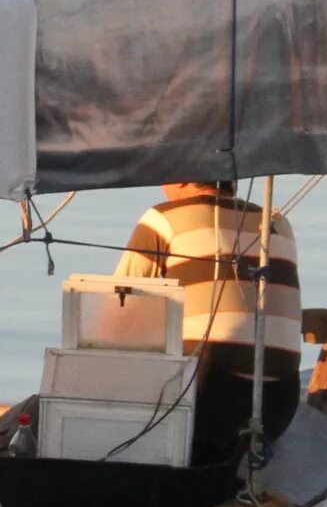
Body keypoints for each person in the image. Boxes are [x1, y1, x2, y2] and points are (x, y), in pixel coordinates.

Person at [117, 180, 300, 468]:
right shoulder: (277, 223)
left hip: (208, 396)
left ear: (182, 176)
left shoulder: (163, 218)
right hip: (278, 404)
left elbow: (120, 310)